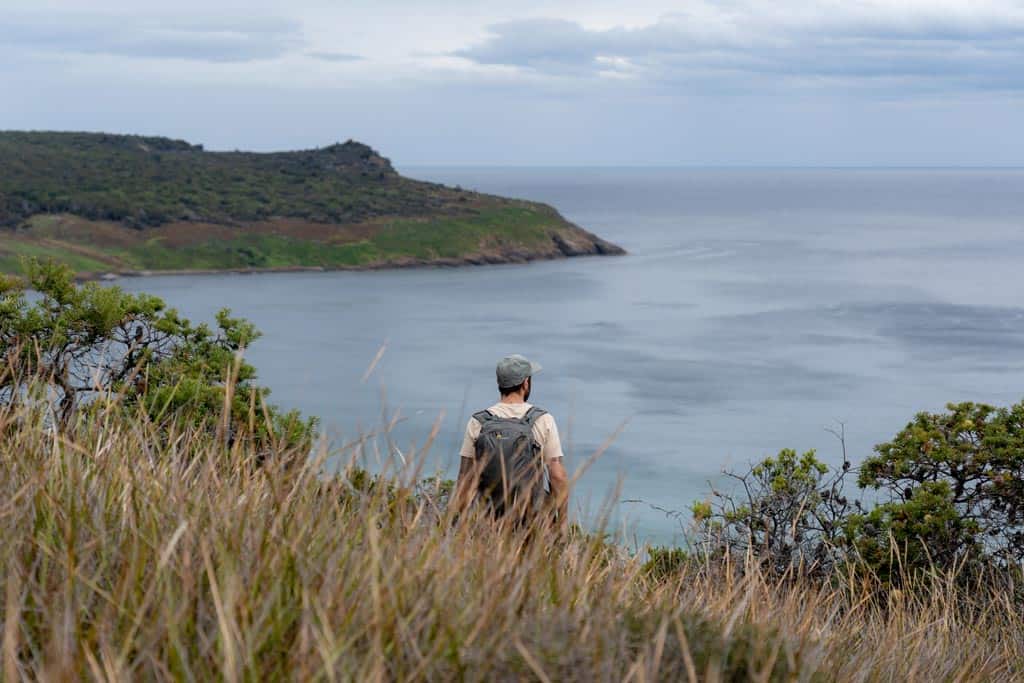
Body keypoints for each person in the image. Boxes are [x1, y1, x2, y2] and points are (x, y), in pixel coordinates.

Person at [454, 354, 569, 531]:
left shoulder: (478, 422)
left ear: (500, 384)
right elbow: (557, 475)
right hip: (533, 521)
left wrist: (457, 522)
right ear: (525, 384)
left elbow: (465, 477)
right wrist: (561, 523)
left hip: (489, 521)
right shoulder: (543, 420)